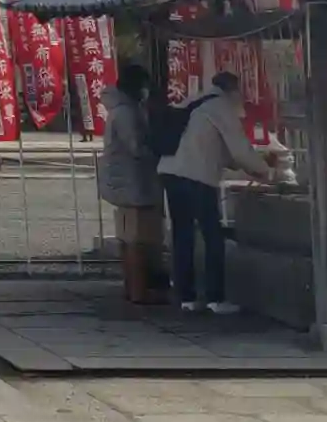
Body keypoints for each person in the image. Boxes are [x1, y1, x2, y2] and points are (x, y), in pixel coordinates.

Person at [156, 70, 275, 315]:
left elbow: (219, 150)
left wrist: (248, 166)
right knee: (212, 235)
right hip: (196, 177)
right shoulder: (221, 106)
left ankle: (186, 297)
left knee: (183, 234)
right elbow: (240, 150)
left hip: (170, 172)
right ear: (233, 90)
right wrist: (265, 171)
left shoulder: (194, 101)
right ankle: (215, 298)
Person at [98, 63, 165, 305]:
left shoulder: (118, 109)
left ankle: (132, 288)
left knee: (128, 238)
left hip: (122, 181)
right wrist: (159, 153)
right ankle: (139, 291)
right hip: (133, 182)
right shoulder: (127, 112)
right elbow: (136, 146)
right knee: (138, 239)